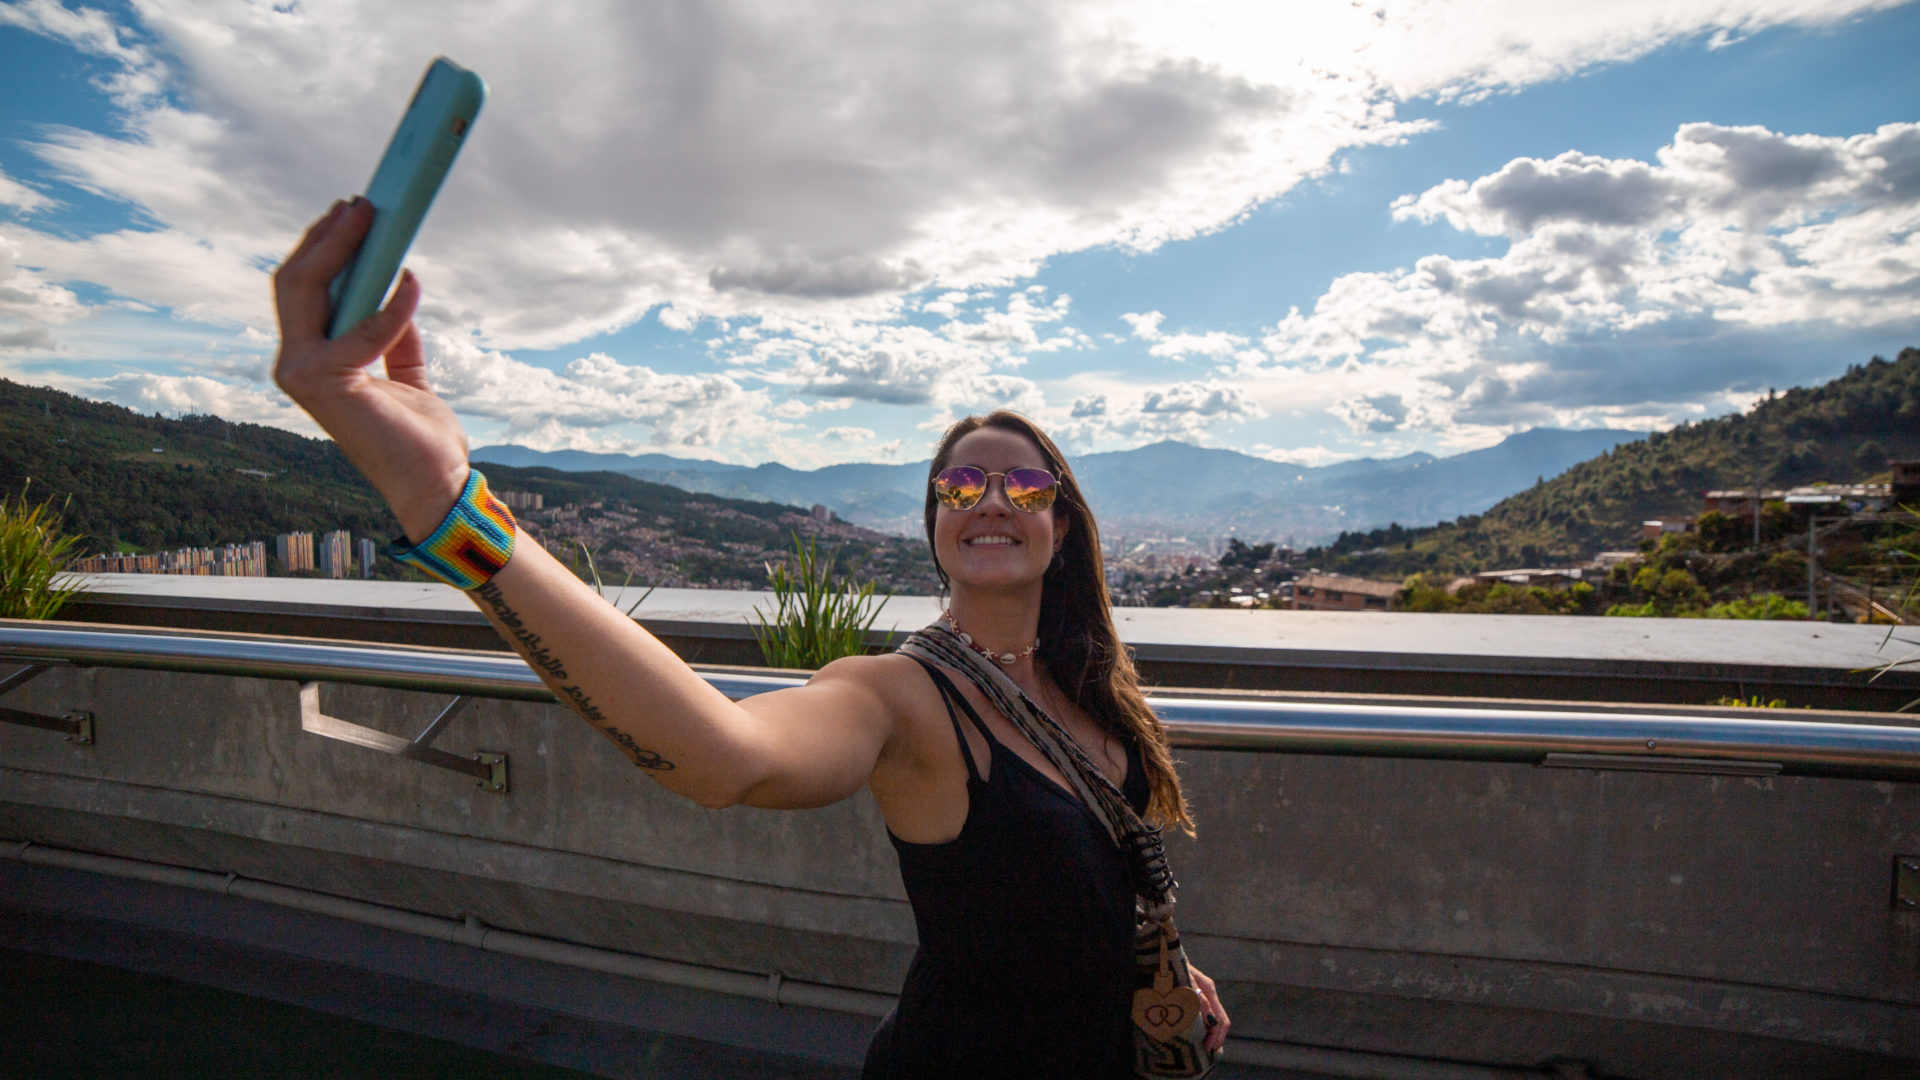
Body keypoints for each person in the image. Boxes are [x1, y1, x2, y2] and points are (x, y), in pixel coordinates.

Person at [272, 197, 1229, 1078]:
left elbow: (1088, 881)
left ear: (1062, 525)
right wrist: (449, 508)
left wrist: (1152, 968)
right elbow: (725, 757)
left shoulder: (1084, 684)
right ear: (934, 524)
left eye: (1022, 486)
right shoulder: (902, 696)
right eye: (959, 485)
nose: (990, 500)